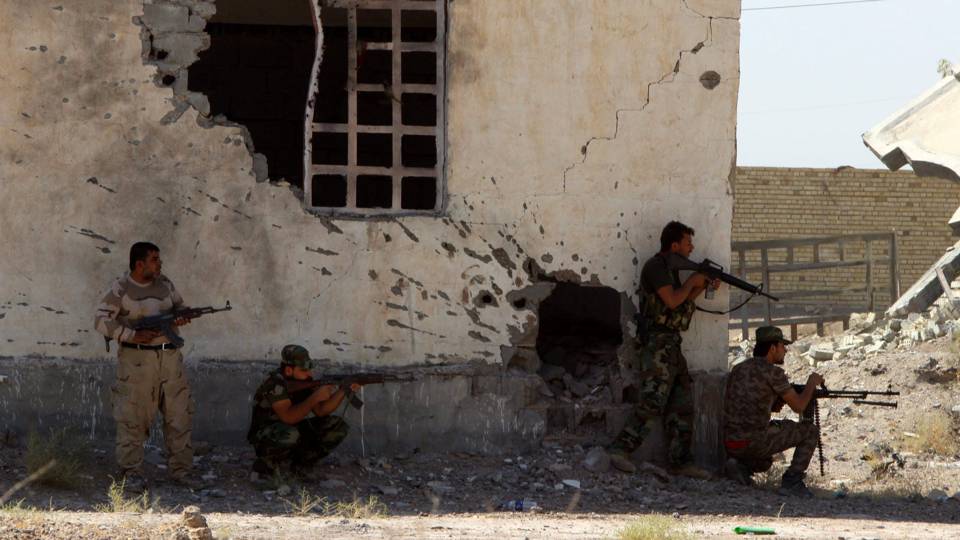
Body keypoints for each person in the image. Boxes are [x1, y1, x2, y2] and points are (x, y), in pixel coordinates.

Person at [608, 221, 719, 477]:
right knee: (653, 401)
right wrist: (693, 280)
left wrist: (701, 286)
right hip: (657, 344)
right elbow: (671, 301)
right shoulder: (656, 267)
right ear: (674, 245)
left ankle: (681, 462)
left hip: (671, 343)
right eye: (688, 243)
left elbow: (681, 303)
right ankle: (620, 449)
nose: (692, 249)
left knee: (681, 404)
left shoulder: (671, 271)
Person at [94, 242, 196, 490]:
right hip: (137, 361)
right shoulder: (122, 288)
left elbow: (179, 307)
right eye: (154, 260)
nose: (159, 264)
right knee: (133, 417)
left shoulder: (165, 284)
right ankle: (132, 473)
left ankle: (182, 472)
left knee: (179, 415)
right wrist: (130, 336)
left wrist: (182, 315)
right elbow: (101, 320)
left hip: (169, 359)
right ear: (139, 264)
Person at [723, 326, 823, 498]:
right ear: (772, 348)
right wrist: (811, 383)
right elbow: (799, 406)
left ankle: (739, 466)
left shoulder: (738, 369)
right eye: (782, 346)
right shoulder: (773, 373)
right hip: (754, 441)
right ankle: (793, 481)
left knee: (765, 462)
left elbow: (752, 403)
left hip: (730, 442)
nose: (785, 350)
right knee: (810, 431)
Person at [247, 344, 355, 479]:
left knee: (337, 426)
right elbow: (288, 417)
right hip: (267, 437)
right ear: (288, 370)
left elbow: (321, 411)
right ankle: (266, 465)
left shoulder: (303, 381)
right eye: (304, 370)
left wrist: (344, 390)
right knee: (290, 433)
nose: (309, 374)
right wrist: (314, 398)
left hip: (292, 431)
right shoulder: (275, 384)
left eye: (309, 369)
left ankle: (301, 465)